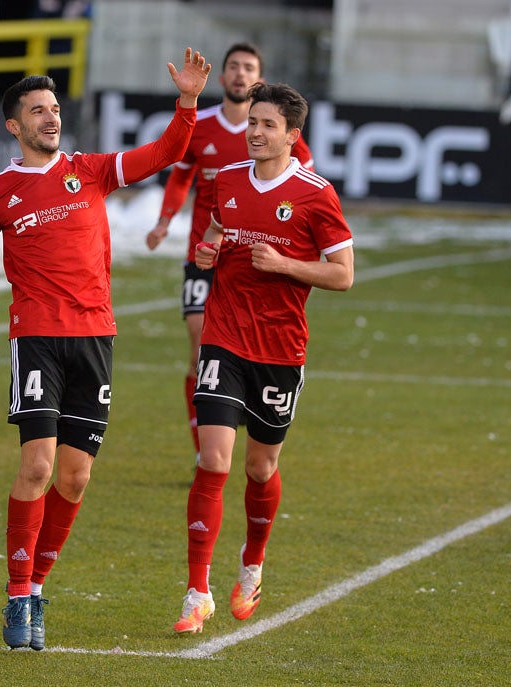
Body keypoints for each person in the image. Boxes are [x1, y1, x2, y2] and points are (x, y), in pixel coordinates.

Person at [0, 48, 212, 650]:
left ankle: (37, 584)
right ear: (14, 126)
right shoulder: (1, 191)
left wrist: (188, 104)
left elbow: (165, 154)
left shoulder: (90, 170)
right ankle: (20, 597)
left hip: (94, 337)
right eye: (37, 110)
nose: (50, 117)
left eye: (54, 107)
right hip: (37, 338)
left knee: (74, 479)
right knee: (38, 466)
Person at [172, 82, 354, 634]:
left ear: (292, 136)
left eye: (267, 125)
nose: (254, 132)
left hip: (279, 349)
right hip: (224, 338)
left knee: (260, 466)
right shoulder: (226, 181)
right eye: (252, 122)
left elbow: (343, 274)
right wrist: (207, 252)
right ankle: (197, 590)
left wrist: (285, 265)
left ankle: (252, 564)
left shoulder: (316, 194)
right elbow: (211, 237)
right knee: (213, 460)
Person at [145, 43, 314, 461]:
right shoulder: (200, 125)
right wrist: (166, 220)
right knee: (200, 346)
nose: (240, 74)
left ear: (258, 78)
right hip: (203, 254)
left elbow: (304, 182)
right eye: (233, 67)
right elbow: (181, 176)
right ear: (221, 78)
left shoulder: (274, 135)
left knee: (245, 349)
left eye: (249, 68)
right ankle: (205, 447)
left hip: (253, 262)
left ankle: (240, 413)